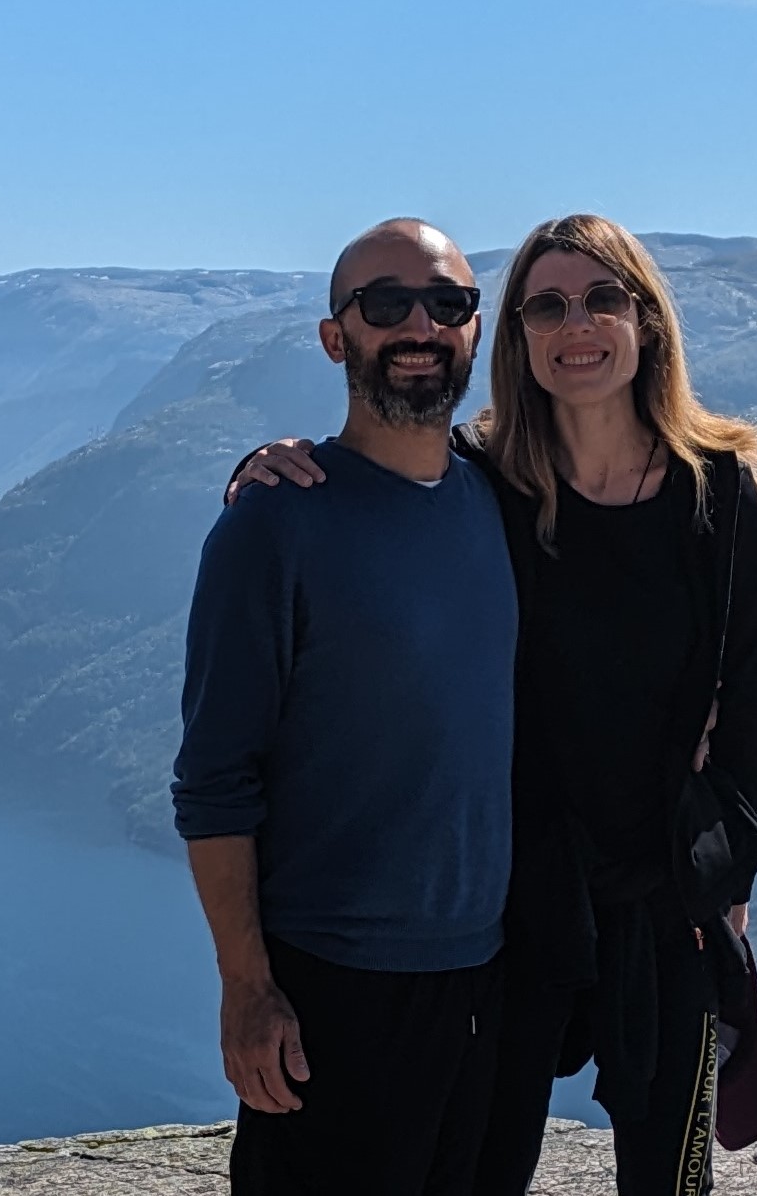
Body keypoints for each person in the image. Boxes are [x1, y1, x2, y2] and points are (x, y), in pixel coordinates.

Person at [228, 213, 757, 1196]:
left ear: (645, 321)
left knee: (670, 1180)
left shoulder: (717, 492)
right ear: (516, 335)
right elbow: (374, 482)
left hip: (667, 901)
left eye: (603, 298)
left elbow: (747, 696)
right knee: (486, 1167)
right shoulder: (488, 483)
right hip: (524, 900)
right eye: (548, 304)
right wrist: (265, 468)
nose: (578, 323)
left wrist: (730, 880)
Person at [174, 218, 517, 1195]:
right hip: (333, 991)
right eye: (385, 303)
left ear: (474, 329)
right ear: (337, 337)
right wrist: (247, 986)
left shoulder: (502, 494)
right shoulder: (276, 522)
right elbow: (212, 780)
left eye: (445, 302)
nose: (419, 324)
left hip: (488, 978)